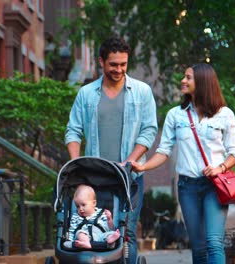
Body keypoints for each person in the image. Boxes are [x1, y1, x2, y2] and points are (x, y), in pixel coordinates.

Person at [132, 63, 235, 263]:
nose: (183, 81)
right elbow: (163, 151)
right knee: (199, 246)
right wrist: (143, 166)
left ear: (202, 82)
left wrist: (220, 167)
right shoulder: (176, 115)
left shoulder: (224, 114)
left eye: (188, 77)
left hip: (214, 186)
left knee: (213, 242)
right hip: (187, 187)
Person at [65, 35, 158, 263]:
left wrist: (129, 161)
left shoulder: (142, 92)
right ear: (101, 62)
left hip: (130, 177)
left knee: (126, 235)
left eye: (123, 64)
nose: (119, 69)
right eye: (113, 64)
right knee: (89, 229)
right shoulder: (86, 94)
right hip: (93, 178)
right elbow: (73, 131)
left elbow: (148, 130)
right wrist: (76, 165)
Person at [64, 184, 121, 249]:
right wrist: (70, 241)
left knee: (110, 233)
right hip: (85, 236)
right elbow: (72, 230)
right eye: (77, 206)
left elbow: (109, 229)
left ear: (94, 203)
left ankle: (110, 240)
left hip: (100, 236)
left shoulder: (102, 213)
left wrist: (109, 219)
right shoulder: (76, 217)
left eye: (83, 205)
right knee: (79, 233)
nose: (80, 208)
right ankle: (86, 243)